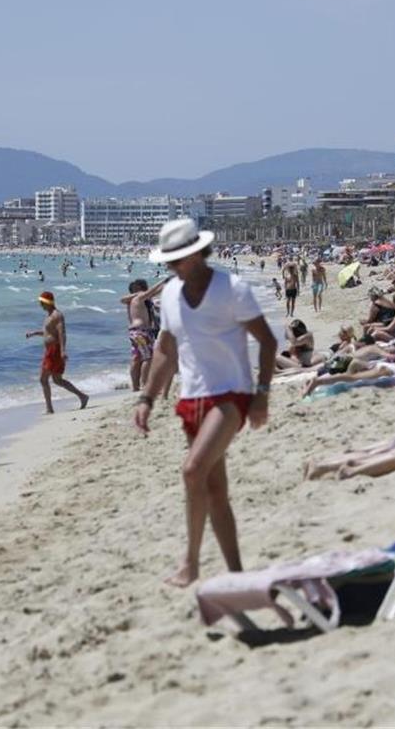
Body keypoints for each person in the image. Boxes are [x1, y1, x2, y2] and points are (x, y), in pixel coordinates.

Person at [134, 218, 277, 588]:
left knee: (192, 470)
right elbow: (165, 350)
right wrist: (147, 397)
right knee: (214, 490)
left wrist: (261, 395)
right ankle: (236, 575)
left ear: (199, 254)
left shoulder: (232, 289)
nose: (173, 266)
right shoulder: (168, 295)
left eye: (179, 259)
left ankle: (191, 563)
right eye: (169, 261)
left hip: (231, 394)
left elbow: (267, 342)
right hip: (191, 397)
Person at [26, 291, 90, 413]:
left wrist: (63, 351)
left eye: (42, 303)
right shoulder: (49, 316)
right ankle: (82, 396)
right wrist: (34, 333)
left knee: (43, 379)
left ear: (48, 302)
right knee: (57, 380)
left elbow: (62, 333)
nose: (41, 305)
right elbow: (48, 333)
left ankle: (49, 408)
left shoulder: (57, 315)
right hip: (49, 351)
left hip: (54, 351)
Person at [121, 278, 168, 392]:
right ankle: (144, 384)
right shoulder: (139, 297)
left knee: (136, 359)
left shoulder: (131, 300)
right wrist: (164, 281)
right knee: (148, 358)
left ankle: (135, 386)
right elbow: (153, 291)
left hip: (134, 332)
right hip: (142, 332)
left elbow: (154, 293)